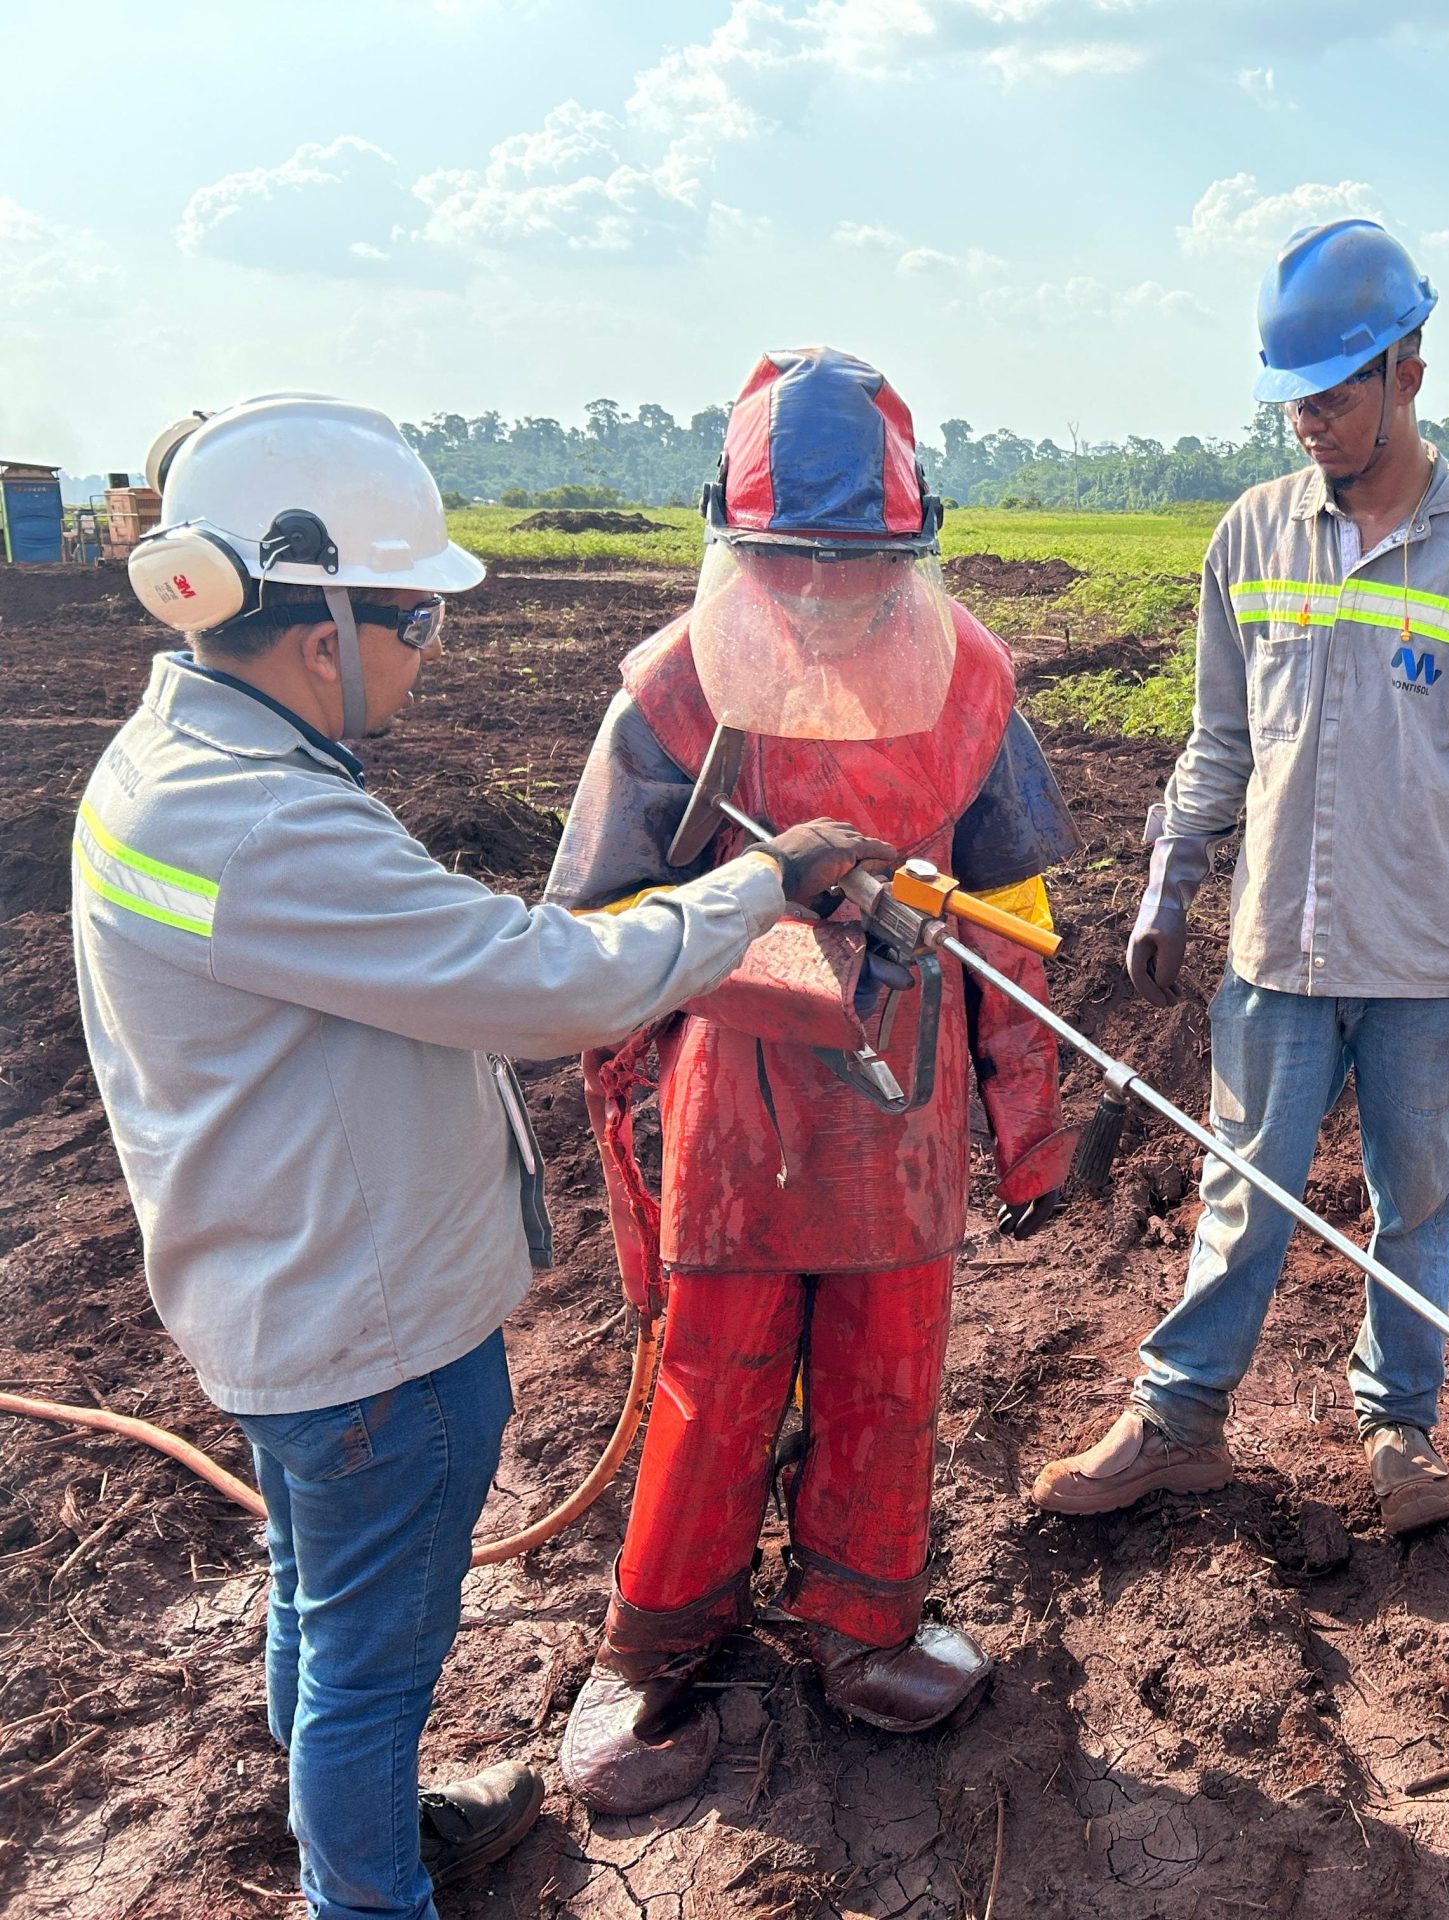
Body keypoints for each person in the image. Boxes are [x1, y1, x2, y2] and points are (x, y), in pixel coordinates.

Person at [72, 396, 883, 1920]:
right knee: (371, 1660)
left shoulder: (169, 763)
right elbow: (547, 983)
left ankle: (364, 1830)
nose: (427, 655)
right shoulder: (256, 825)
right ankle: (369, 1892)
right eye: (420, 625)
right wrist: (760, 880)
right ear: (323, 630)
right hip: (369, 1341)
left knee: (324, 1616)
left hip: (276, 1292)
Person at [542, 347, 1081, 1815]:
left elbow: (1013, 917)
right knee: (713, 1380)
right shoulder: (670, 691)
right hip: (734, 1113)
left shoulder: (970, 684)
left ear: (913, 547)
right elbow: (590, 934)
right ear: (738, 541)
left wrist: (1025, 1138)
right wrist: (767, 944)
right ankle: (653, 1647)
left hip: (904, 1116)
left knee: (891, 1372)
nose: (829, 593)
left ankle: (861, 1623)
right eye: (793, 563)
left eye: (861, 566)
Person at [1029, 219, 1449, 1535]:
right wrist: (1174, 873)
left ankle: (1399, 1435)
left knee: (1417, 1206)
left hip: (1429, 956)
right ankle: (1177, 1420)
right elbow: (1220, 734)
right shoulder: (1253, 537)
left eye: (1332, 395)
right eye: (1291, 401)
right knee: (1244, 1193)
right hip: (1276, 947)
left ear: (1409, 367)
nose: (1308, 425)